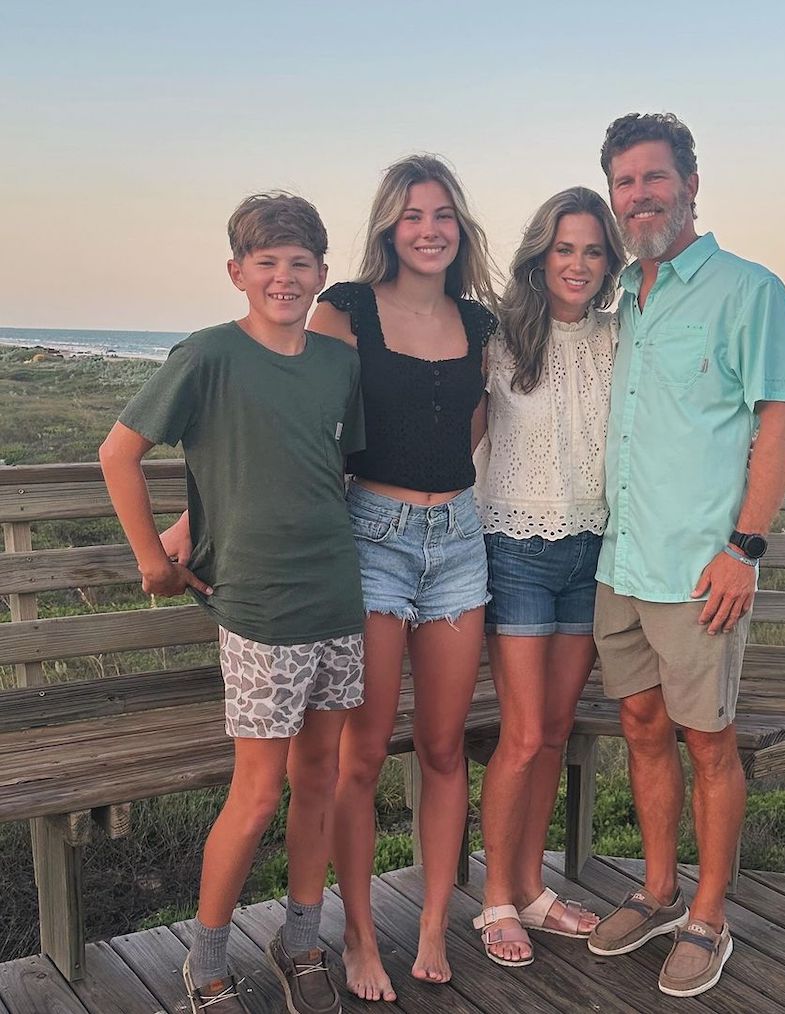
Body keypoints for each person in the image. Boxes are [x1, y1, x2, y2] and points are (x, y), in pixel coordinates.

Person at [99, 193, 365, 1014]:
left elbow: (326, 469)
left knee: (319, 778)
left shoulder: (337, 363)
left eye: (300, 264)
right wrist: (156, 559)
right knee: (256, 794)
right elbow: (119, 453)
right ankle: (205, 961)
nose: (284, 277)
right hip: (258, 609)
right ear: (237, 272)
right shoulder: (208, 354)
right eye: (267, 263)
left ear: (322, 274)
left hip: (336, 597)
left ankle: (300, 941)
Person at [587, 113, 785, 998]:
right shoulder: (621, 303)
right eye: (624, 183)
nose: (639, 196)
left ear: (691, 183)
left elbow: (780, 420)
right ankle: (657, 889)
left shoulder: (747, 290)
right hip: (621, 563)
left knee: (707, 742)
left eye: (653, 178)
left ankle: (709, 917)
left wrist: (743, 548)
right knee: (642, 729)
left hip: (698, 570)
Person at [308, 155, 498, 1001]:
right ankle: (356, 936)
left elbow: (475, 424)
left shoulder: (480, 321)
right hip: (372, 538)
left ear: (460, 227)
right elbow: (291, 417)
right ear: (390, 225)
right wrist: (196, 519)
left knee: (444, 746)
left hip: (458, 540)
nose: (430, 228)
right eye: (414, 214)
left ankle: (429, 924)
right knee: (362, 753)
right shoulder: (343, 310)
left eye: (444, 214)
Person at [470, 187, 624, 966]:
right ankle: (496, 898)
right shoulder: (498, 341)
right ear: (540, 255)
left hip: (592, 552)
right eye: (565, 249)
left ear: (609, 262)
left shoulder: (616, 337)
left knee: (556, 732)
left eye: (594, 251)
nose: (579, 264)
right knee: (524, 735)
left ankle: (532, 892)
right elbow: (454, 443)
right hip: (516, 550)